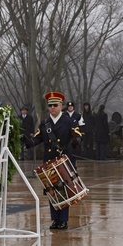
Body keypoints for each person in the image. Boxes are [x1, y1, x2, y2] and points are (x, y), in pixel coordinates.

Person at [24, 91, 82, 230]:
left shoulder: (68, 121)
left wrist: (76, 140)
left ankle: (63, 220)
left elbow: (78, 134)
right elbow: (36, 140)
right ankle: (55, 219)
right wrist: (25, 140)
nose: (52, 108)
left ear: (61, 106)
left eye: (55, 105)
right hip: (49, 160)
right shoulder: (45, 124)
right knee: (51, 190)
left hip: (63, 160)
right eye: (50, 105)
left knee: (64, 189)